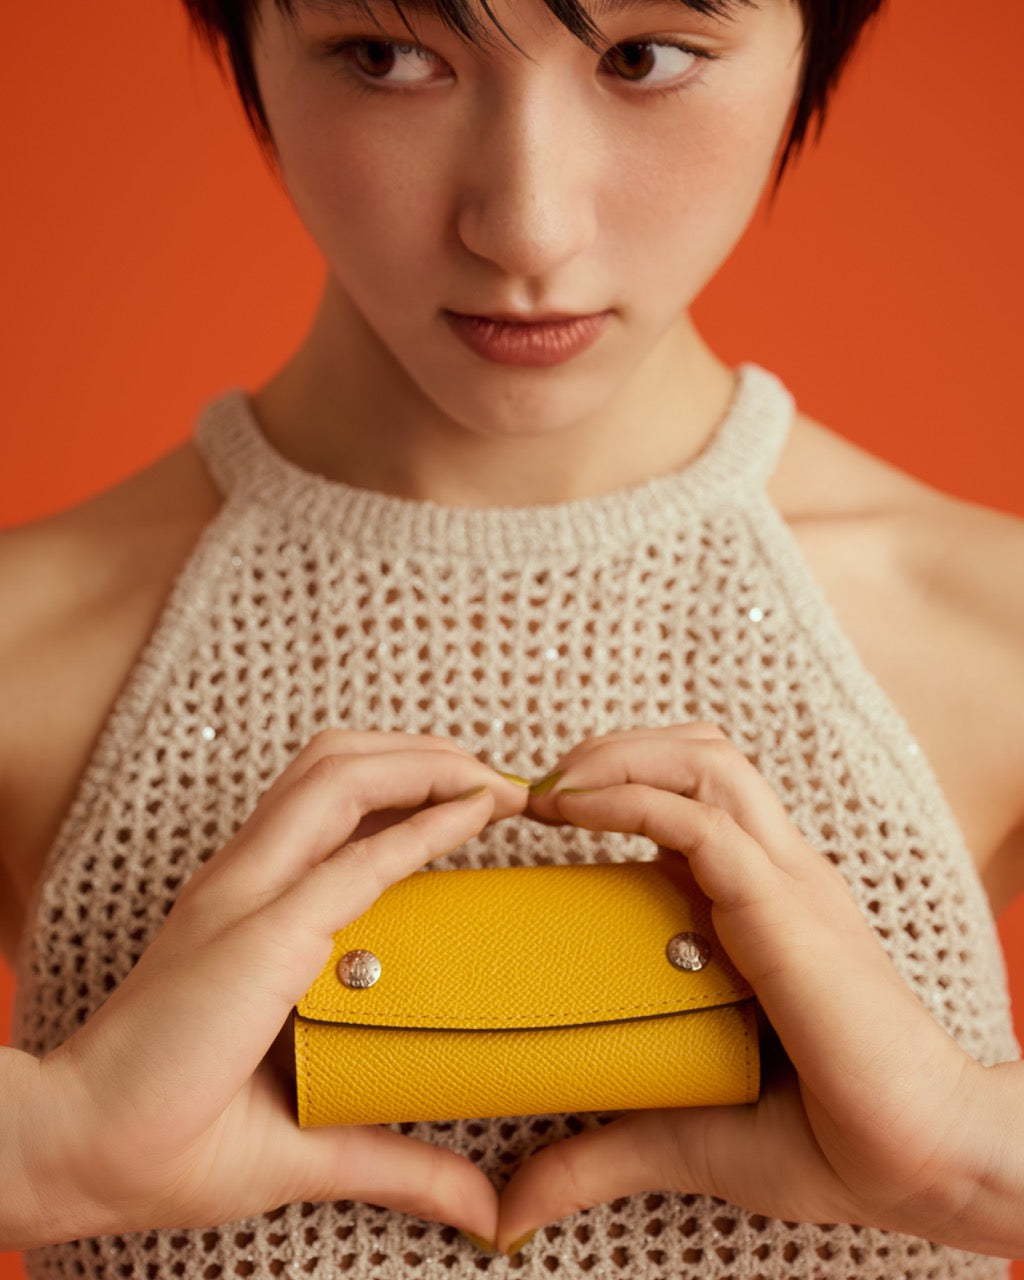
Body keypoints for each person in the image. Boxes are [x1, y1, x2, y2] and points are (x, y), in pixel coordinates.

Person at [1, 0, 1023, 1276]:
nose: (526, 227)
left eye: (643, 58)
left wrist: (970, 1161)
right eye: (389, 57)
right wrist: (45, 1156)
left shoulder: (996, 631)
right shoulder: (25, 647)